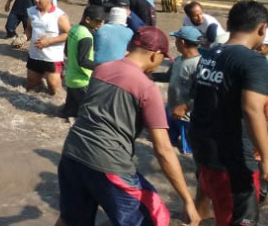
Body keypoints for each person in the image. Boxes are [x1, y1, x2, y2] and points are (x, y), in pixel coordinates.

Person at [56, 26, 201, 226]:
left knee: (71, 220)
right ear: (155, 55)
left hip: (72, 154)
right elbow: (163, 149)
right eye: (162, 58)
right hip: (109, 164)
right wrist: (187, 201)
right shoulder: (147, 89)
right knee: (155, 217)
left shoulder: (101, 69)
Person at [190, 0, 268, 226]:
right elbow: (252, 109)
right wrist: (267, 159)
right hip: (234, 162)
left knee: (221, 211)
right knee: (239, 218)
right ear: (262, 29)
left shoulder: (209, 55)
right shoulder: (254, 62)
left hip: (205, 153)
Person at [157, 26, 202, 155]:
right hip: (172, 111)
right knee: (167, 143)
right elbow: (168, 76)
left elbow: (202, 92)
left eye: (176, 40)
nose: (175, 43)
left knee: (187, 151)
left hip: (187, 117)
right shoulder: (178, 60)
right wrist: (149, 75)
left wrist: (185, 107)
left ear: (182, 42)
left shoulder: (198, 65)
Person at [60, 5, 107, 119]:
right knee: (93, 115)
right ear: (87, 20)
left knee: (68, 114)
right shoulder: (86, 36)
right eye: (98, 21)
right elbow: (83, 61)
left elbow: (66, 51)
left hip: (70, 78)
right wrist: (102, 67)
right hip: (82, 81)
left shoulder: (74, 29)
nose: (101, 23)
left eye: (102, 20)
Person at [25, 0, 70, 95]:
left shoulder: (59, 15)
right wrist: (22, 39)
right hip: (35, 55)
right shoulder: (31, 12)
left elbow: (68, 34)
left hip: (52, 57)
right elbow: (29, 30)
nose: (36, 0)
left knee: (54, 89)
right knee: (31, 85)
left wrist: (49, 41)